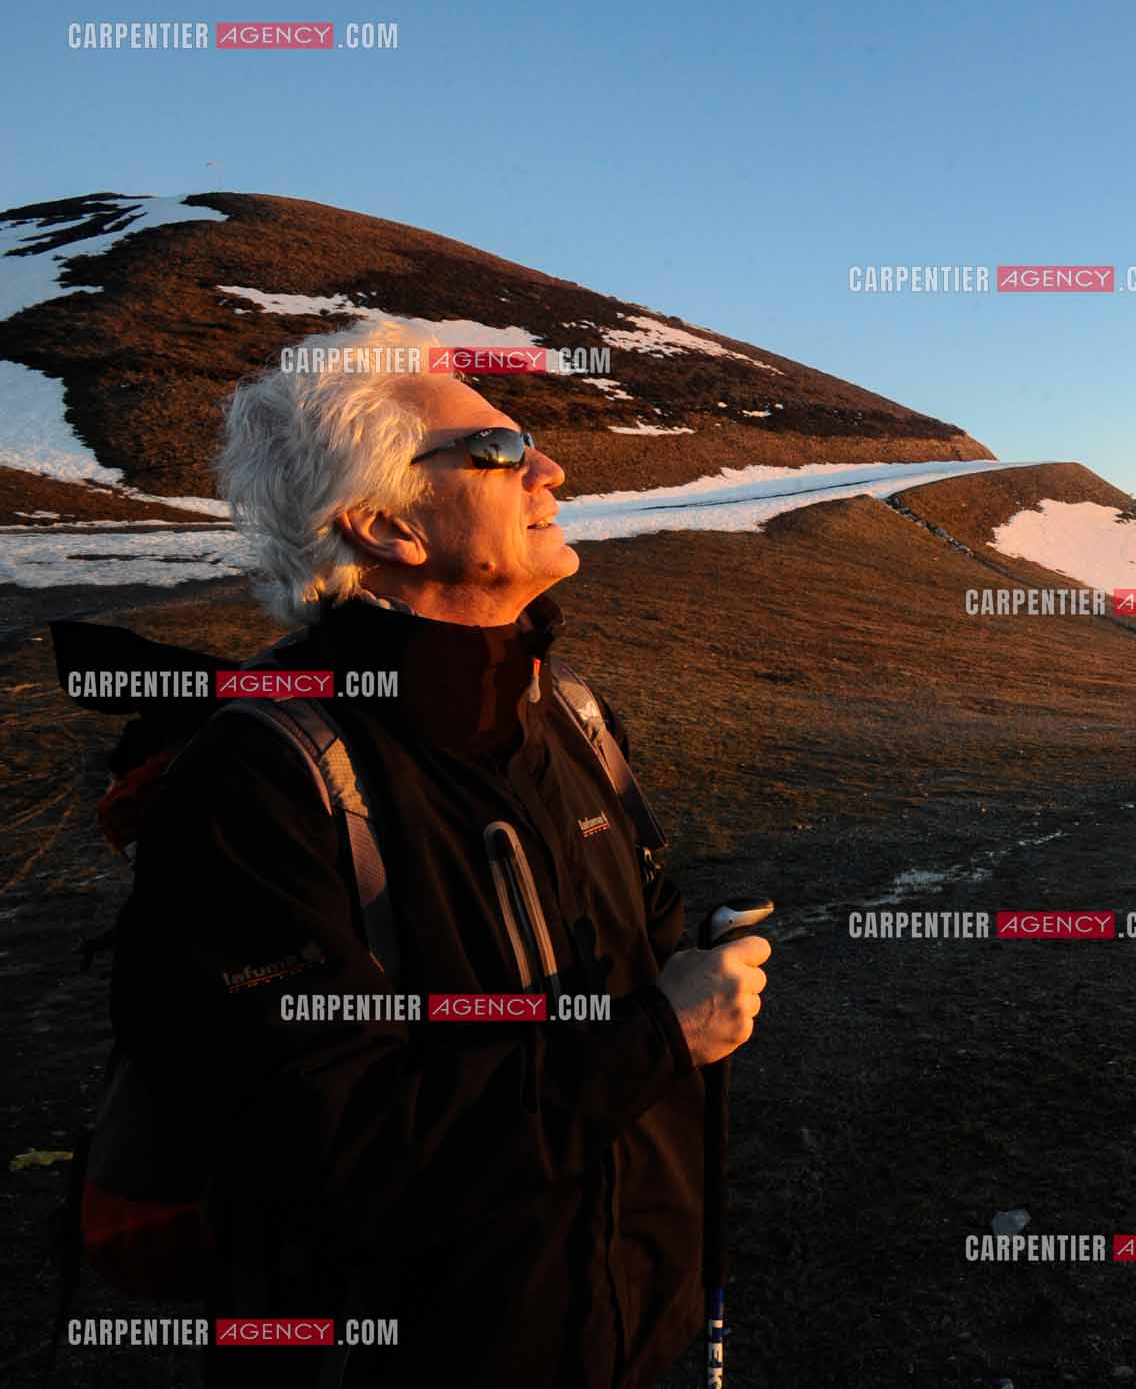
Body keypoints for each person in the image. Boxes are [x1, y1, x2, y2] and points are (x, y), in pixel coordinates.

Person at [114, 317, 770, 1386]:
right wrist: (661, 1034)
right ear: (383, 527)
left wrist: (688, 979)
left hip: (633, 1332)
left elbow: (643, 965)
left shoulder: (572, 717)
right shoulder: (260, 784)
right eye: (501, 451)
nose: (550, 468)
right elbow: (329, 1148)